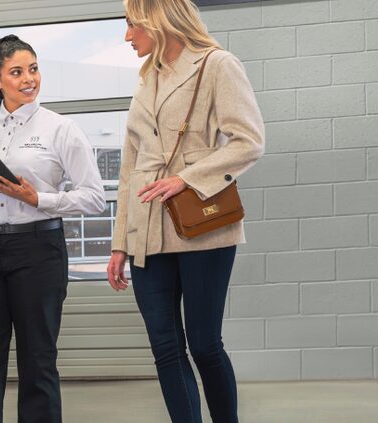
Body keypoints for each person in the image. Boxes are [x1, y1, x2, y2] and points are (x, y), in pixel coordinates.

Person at [107, 1, 265, 422]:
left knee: (204, 344)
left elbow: (248, 140)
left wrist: (188, 177)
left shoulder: (217, 65)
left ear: (157, 20)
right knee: (165, 348)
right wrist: (119, 243)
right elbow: (128, 169)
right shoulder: (147, 79)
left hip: (201, 225)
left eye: (130, 25)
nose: (127, 36)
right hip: (146, 231)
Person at [0, 34, 106, 423]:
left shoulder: (61, 129)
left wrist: (39, 199)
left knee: (38, 357)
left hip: (39, 250)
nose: (29, 79)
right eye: (16, 72)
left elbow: (94, 197)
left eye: (33, 69)